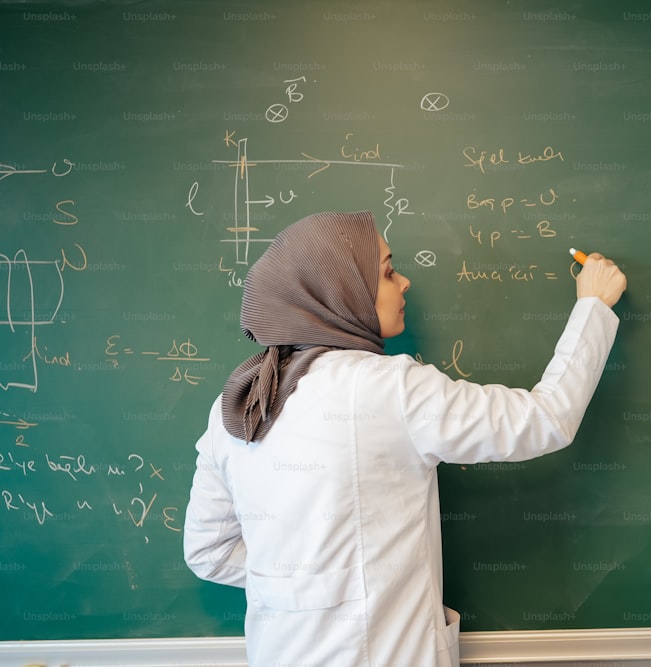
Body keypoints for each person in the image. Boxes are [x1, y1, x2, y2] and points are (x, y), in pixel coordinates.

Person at [183, 210, 627, 667]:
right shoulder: (388, 387)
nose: (406, 282)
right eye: (389, 271)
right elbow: (546, 419)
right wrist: (593, 306)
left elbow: (208, 552)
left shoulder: (238, 404)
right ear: (341, 290)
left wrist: (302, 581)